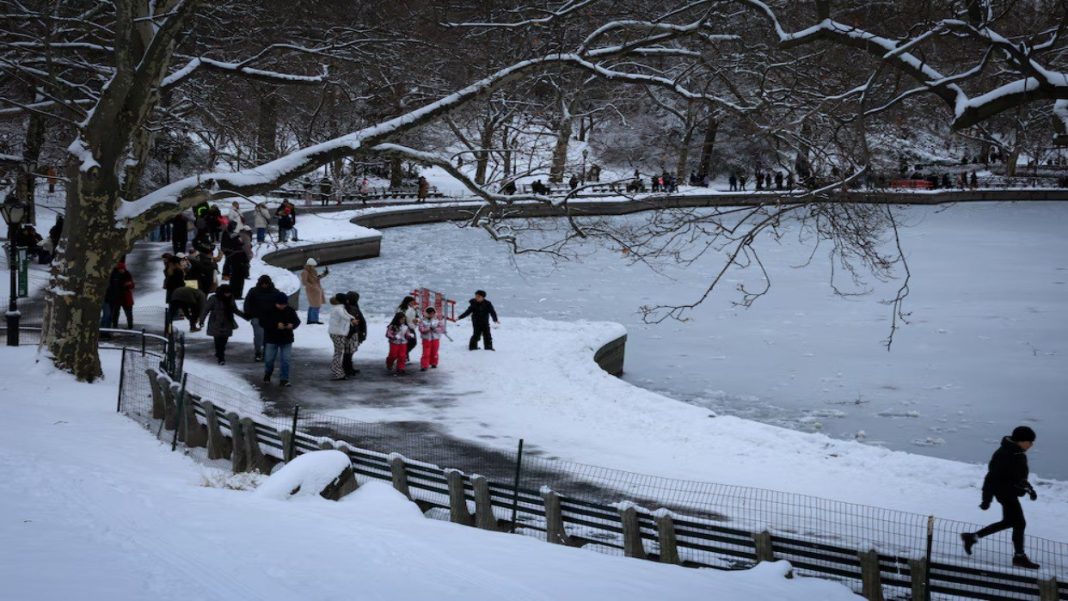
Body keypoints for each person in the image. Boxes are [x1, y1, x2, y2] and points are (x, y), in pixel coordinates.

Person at [961, 426, 1040, 569]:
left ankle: (972, 537)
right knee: (1019, 523)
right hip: (1004, 493)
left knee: (1010, 522)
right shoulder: (1004, 454)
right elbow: (990, 478)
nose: (1031, 445)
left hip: (1010, 492)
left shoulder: (1018, 453)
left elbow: (1019, 477)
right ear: (1021, 441)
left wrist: (1029, 489)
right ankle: (1019, 557)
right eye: (1029, 442)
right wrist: (986, 500)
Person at [199, 284, 246, 365]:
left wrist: (245, 316)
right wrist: (201, 320)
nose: (228, 294)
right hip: (216, 321)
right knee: (218, 339)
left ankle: (220, 352)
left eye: (229, 293)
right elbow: (206, 309)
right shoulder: (214, 298)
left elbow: (234, 309)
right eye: (226, 293)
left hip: (228, 320)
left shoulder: (231, 298)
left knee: (224, 339)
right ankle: (221, 357)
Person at [263, 291, 300, 387]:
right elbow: (263, 323)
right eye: (280, 304)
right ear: (276, 303)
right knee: (269, 359)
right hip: (271, 339)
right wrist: (276, 325)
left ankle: (284, 379)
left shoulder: (290, 310)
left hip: (286, 339)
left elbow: (297, 321)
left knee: (286, 360)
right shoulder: (268, 310)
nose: (282, 306)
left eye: (284, 304)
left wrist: (292, 325)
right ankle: (268, 373)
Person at [243, 275, 278, 362]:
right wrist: (248, 313)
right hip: (256, 316)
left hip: (270, 317)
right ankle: (258, 352)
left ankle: (266, 353)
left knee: (268, 336)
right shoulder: (253, 291)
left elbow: (280, 303)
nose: (264, 285)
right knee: (259, 336)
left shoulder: (275, 292)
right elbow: (247, 302)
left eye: (266, 284)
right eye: (263, 284)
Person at [327, 293, 358, 380]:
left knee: (338, 352)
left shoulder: (340, 308)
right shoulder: (339, 309)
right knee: (338, 353)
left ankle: (337, 371)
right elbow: (344, 316)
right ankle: (337, 372)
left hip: (337, 333)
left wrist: (352, 319)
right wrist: (352, 320)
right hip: (338, 334)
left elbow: (346, 315)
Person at [102, 262, 135, 330]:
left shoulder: (128, 274)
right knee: (115, 313)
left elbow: (132, 285)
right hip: (117, 297)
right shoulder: (114, 275)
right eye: (120, 269)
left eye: (122, 269)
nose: (121, 270)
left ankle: (130, 327)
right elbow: (112, 286)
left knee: (129, 313)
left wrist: (129, 284)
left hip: (126, 298)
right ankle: (115, 326)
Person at [343, 291, 368, 376]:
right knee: (348, 352)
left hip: (351, 333)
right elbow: (356, 322)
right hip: (351, 334)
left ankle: (348, 368)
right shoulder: (352, 308)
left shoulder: (348, 307)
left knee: (348, 352)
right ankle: (347, 369)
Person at [300, 258, 328, 324]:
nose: (314, 267)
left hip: (316, 290)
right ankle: (314, 321)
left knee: (313, 305)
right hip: (312, 291)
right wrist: (313, 287)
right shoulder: (305, 272)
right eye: (313, 266)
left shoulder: (313, 271)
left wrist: (324, 274)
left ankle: (310, 320)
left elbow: (317, 278)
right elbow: (304, 282)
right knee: (315, 306)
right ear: (309, 265)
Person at [418, 307, 446, 371]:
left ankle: (434, 363)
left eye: (433, 313)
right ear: (427, 314)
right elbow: (421, 329)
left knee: (434, 352)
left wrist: (435, 329)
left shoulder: (437, 321)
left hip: (435, 339)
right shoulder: (422, 321)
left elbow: (442, 329)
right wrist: (428, 329)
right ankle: (424, 365)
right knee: (426, 353)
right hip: (426, 339)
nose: (431, 315)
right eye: (430, 313)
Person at [398, 295, 419, 359]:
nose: (412, 304)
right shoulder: (402, 309)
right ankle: (403, 355)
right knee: (410, 342)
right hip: (404, 327)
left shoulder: (412, 309)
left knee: (412, 342)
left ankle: (404, 355)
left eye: (413, 302)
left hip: (411, 326)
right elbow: (402, 318)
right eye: (411, 302)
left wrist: (416, 320)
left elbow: (416, 317)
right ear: (407, 302)